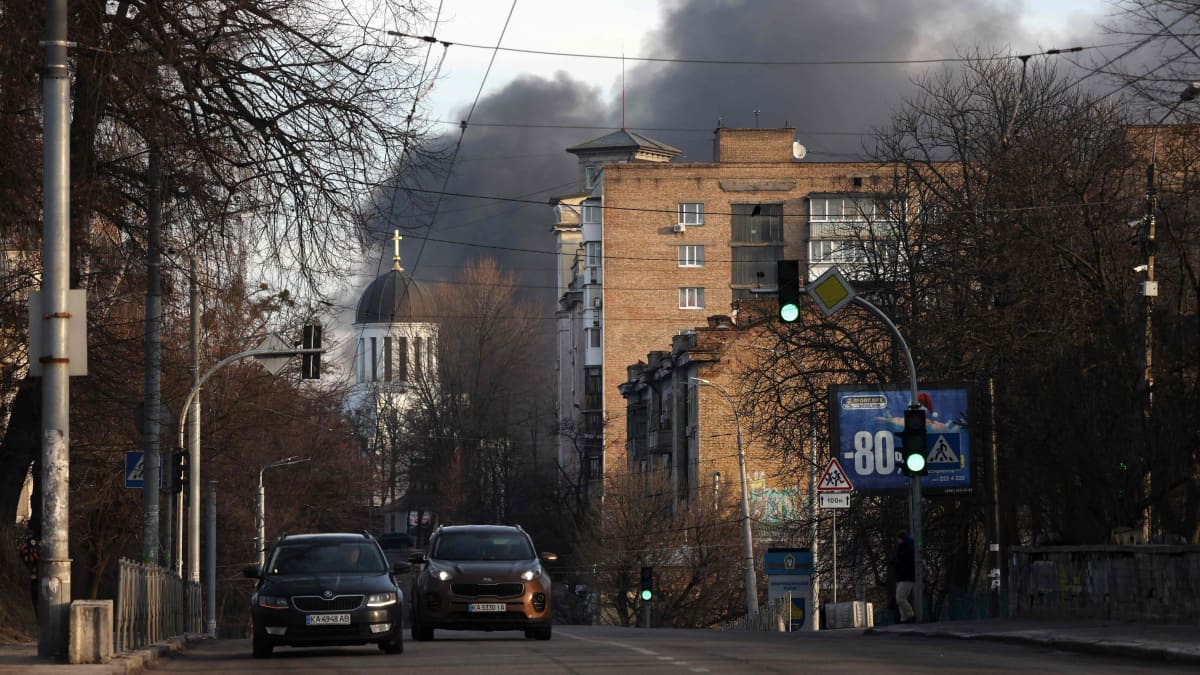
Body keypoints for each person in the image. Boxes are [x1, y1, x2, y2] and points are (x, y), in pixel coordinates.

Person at [892, 530, 916, 623]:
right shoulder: (904, 547)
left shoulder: (906, 548)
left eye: (898, 539)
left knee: (900, 598)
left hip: (906, 577)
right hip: (903, 577)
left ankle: (911, 615)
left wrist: (896, 562)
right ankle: (904, 619)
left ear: (900, 539)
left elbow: (905, 562)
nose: (897, 541)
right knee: (901, 599)